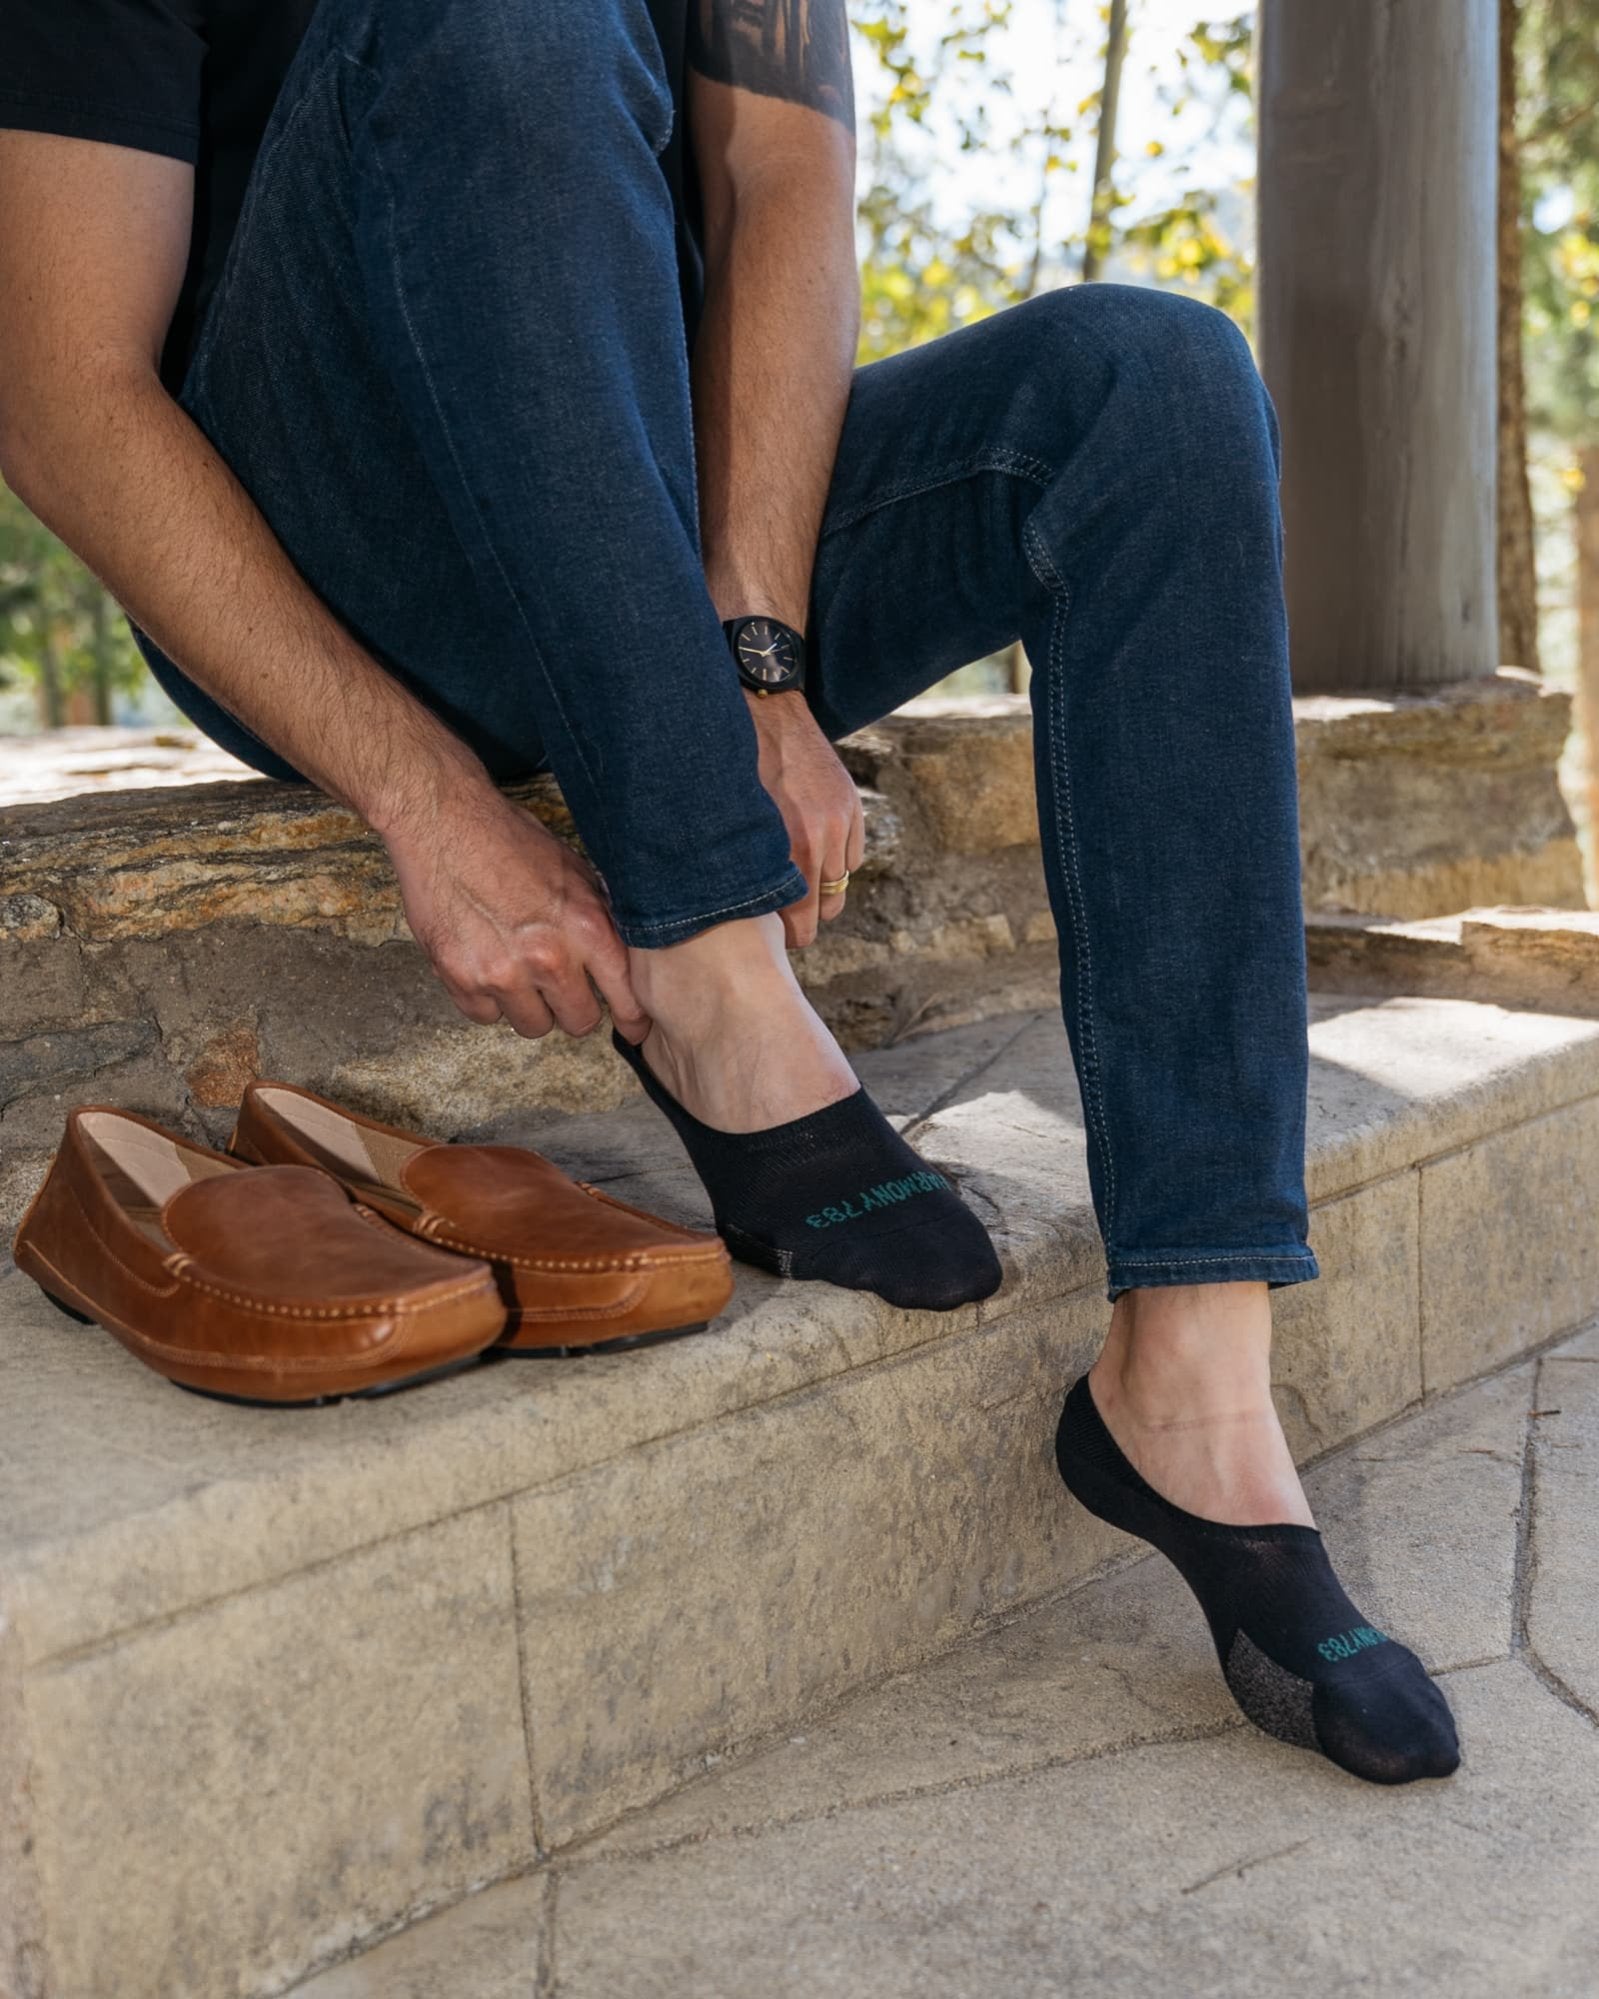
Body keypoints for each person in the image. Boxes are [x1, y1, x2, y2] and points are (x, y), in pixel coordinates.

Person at [0, 0, 1457, 1783]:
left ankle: (1195, 1374)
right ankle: (706, 976)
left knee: (1150, 382)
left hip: (664, 541)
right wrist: (424, 794)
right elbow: (60, 387)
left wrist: (757, 663)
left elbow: (780, 183)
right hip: (341, 560)